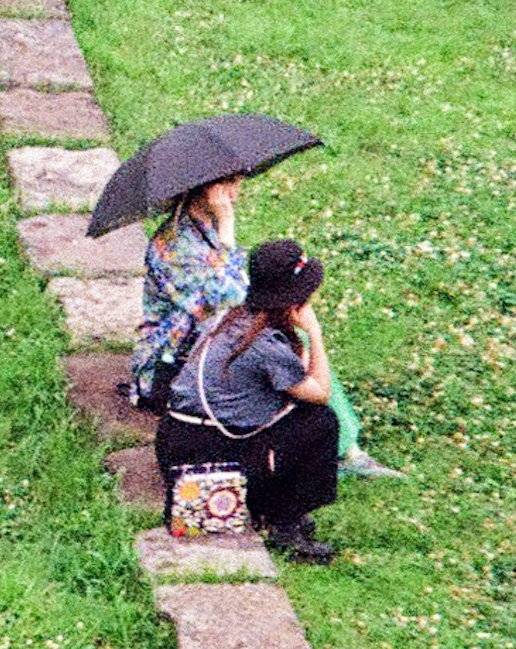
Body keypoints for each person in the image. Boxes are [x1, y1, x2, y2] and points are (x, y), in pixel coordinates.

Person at [130, 171, 396, 479]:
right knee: (282, 339)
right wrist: (228, 223)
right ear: (203, 187)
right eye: (227, 183)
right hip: (171, 364)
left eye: (238, 181)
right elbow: (235, 298)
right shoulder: (175, 246)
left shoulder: (202, 229)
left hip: (207, 341)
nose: (235, 191)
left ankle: (337, 437)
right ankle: (342, 447)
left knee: (284, 332)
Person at [158, 240, 344, 563]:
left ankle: (273, 507)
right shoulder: (264, 345)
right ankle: (285, 525)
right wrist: (314, 332)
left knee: (291, 420)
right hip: (207, 452)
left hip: (176, 441)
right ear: (292, 300)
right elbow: (320, 392)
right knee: (319, 422)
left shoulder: (232, 319)